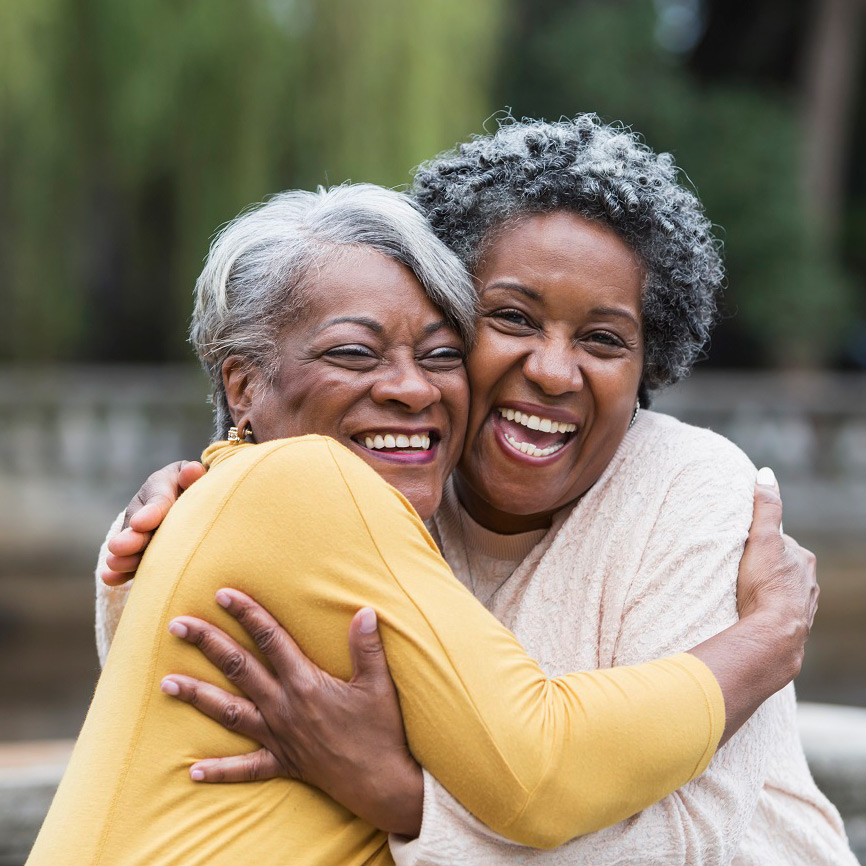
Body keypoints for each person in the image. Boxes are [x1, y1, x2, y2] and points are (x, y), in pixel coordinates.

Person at [97, 118, 855, 865]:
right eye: (513, 318)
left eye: (603, 340)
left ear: (647, 364)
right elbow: (187, 690)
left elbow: (689, 842)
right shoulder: (388, 483)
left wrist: (399, 798)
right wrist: (167, 543)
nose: (555, 372)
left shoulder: (692, 489)